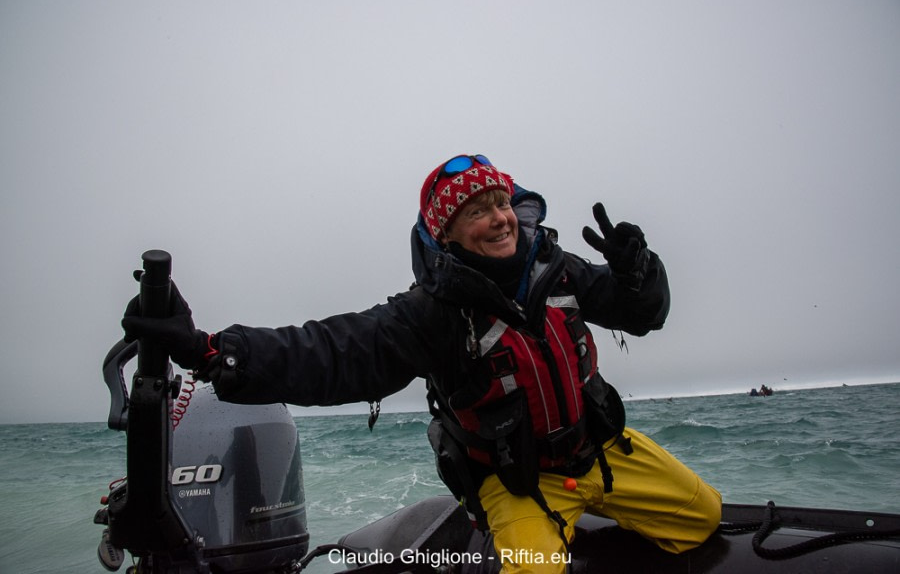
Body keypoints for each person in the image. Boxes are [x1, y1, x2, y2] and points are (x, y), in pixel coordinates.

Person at [122, 154, 722, 573]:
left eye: (502, 203)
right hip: (522, 482)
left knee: (704, 517)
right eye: (477, 212)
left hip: (602, 451)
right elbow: (333, 352)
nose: (500, 219)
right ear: (448, 233)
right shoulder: (431, 312)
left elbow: (644, 312)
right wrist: (210, 350)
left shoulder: (559, 270)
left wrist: (639, 273)